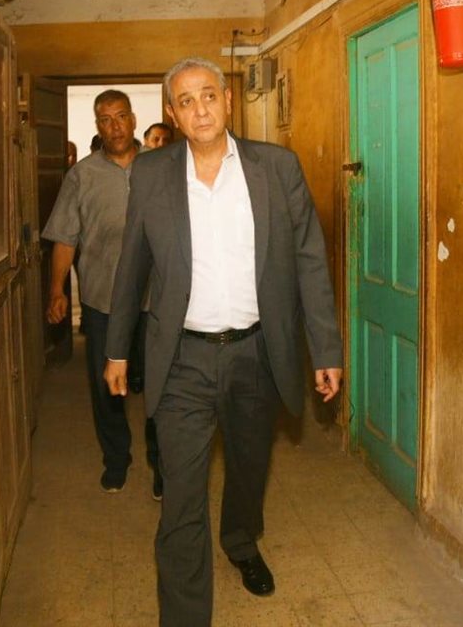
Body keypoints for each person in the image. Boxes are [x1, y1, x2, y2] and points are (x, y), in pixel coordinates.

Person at [104, 58, 342, 626]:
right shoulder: (152, 173)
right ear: (172, 114)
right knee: (181, 495)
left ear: (228, 100)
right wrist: (116, 348)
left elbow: (310, 259)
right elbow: (132, 264)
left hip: (256, 354)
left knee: (249, 464)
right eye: (186, 101)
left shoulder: (276, 168)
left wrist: (326, 348)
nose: (200, 109)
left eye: (209, 95)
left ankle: (240, 540)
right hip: (181, 358)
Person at [42, 90, 160, 497]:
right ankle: (116, 459)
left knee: (161, 385)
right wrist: (56, 290)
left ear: (133, 120)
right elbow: (65, 237)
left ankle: (162, 462)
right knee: (106, 384)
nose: (115, 126)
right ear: (98, 126)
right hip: (102, 299)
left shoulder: (160, 166)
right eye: (105, 120)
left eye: (121, 116)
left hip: (155, 299)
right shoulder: (82, 176)